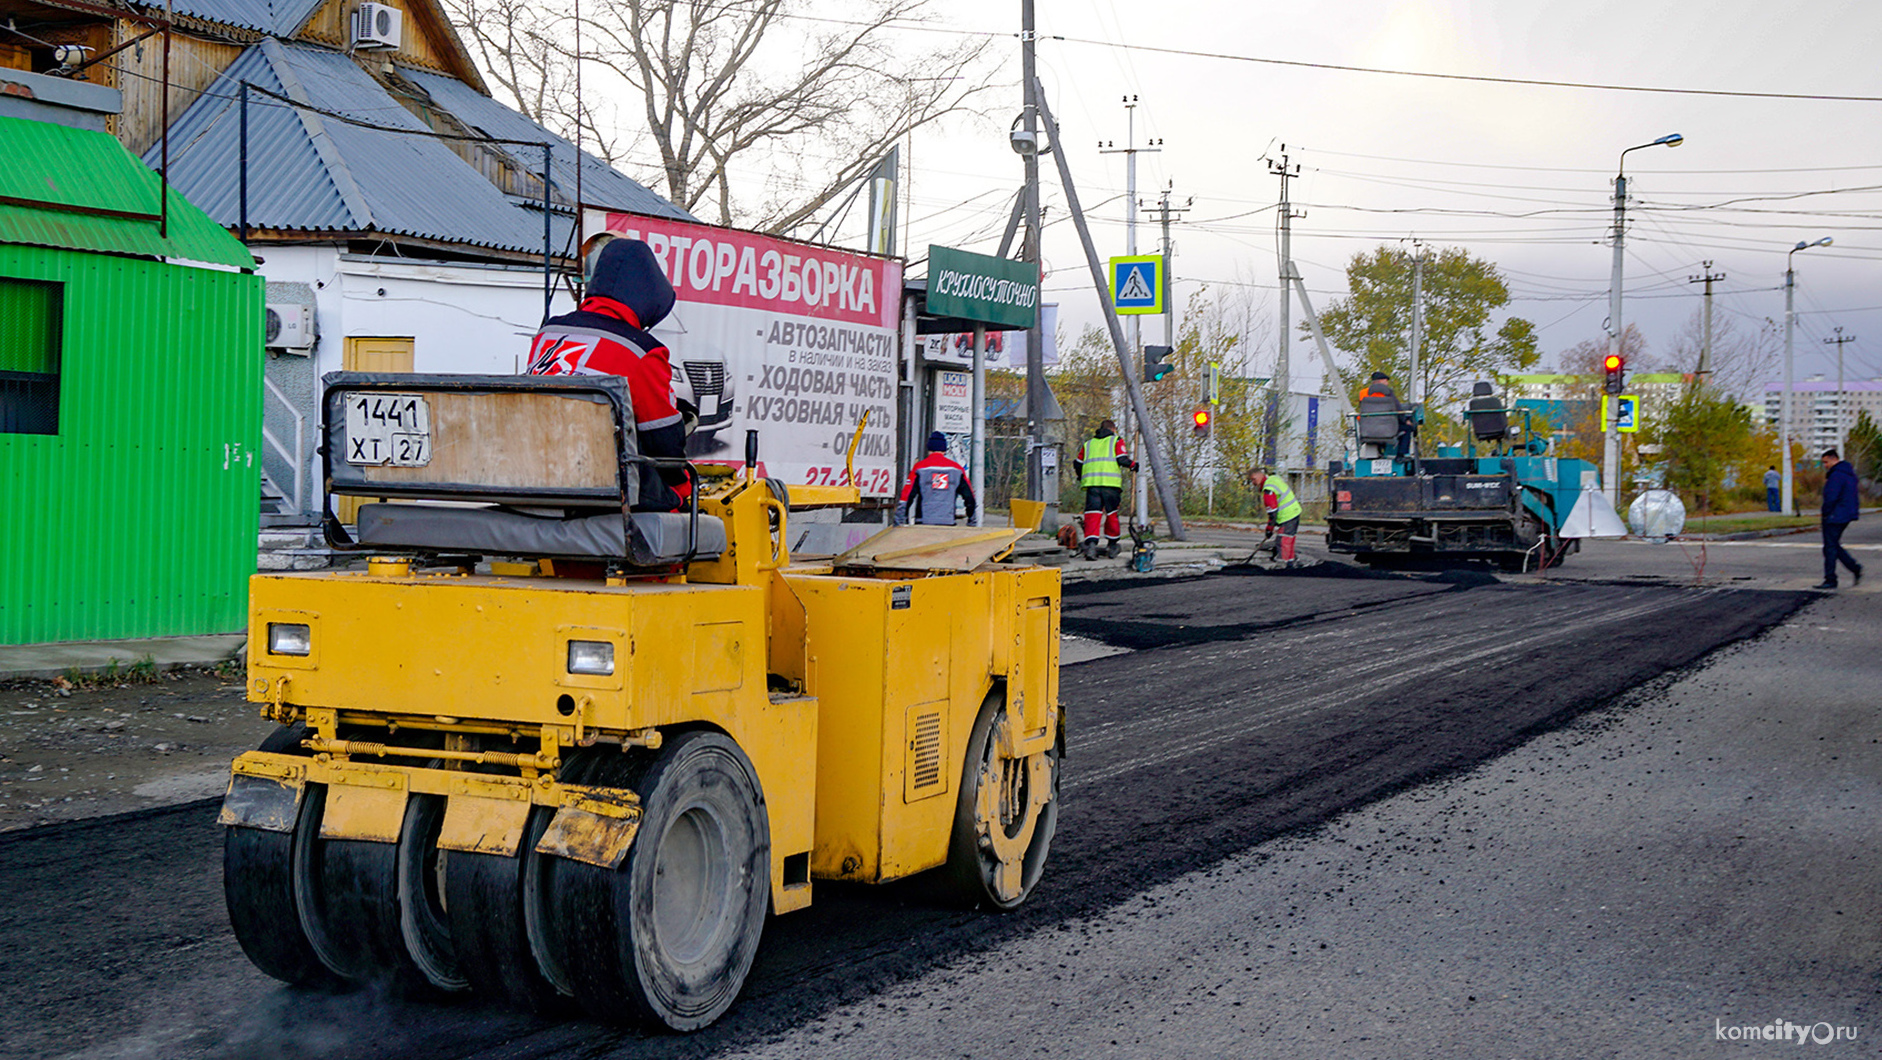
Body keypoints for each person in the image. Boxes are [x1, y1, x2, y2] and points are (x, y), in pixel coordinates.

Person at [528, 238, 693, 511]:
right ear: (649, 294)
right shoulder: (642, 351)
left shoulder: (547, 334)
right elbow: (663, 443)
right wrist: (680, 492)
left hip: (532, 476)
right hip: (599, 491)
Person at [1072, 419, 1136, 559]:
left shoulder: (1088, 444)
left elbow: (1077, 463)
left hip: (1092, 486)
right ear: (1113, 429)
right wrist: (1133, 465)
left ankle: (1091, 547)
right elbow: (1122, 459)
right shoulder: (1116, 440)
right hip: (1110, 486)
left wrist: (1080, 476)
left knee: (1092, 516)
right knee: (1112, 515)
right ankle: (1112, 545)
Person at [896, 431, 977, 526]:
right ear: (944, 450)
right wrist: (972, 521)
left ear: (929, 449)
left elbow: (907, 496)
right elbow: (969, 497)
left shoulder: (919, 467)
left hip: (923, 521)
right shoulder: (957, 469)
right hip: (948, 521)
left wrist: (900, 521)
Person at [1814, 448, 1862, 590]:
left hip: (1835, 515)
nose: (1825, 465)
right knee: (1833, 544)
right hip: (1846, 513)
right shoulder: (1849, 474)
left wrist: (1825, 513)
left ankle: (1831, 579)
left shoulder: (1836, 475)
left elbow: (1831, 497)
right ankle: (1854, 567)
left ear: (1834, 459)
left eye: (1826, 462)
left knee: (1829, 547)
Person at [1247, 467, 1304, 564]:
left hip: (1288, 515)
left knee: (1283, 540)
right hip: (1294, 512)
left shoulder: (1268, 490)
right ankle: (1290, 562)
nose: (1253, 483)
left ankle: (1283, 564)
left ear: (1260, 475)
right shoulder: (1273, 479)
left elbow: (1272, 513)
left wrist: (1269, 529)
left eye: (1254, 479)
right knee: (1288, 538)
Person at [1359, 371, 1413, 458]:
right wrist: (1405, 420)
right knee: (1407, 428)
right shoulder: (1387, 392)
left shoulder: (1363, 393)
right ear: (1380, 381)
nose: (1387, 383)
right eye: (1386, 381)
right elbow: (1398, 410)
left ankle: (1379, 452)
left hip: (1367, 430)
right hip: (1387, 429)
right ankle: (1401, 455)